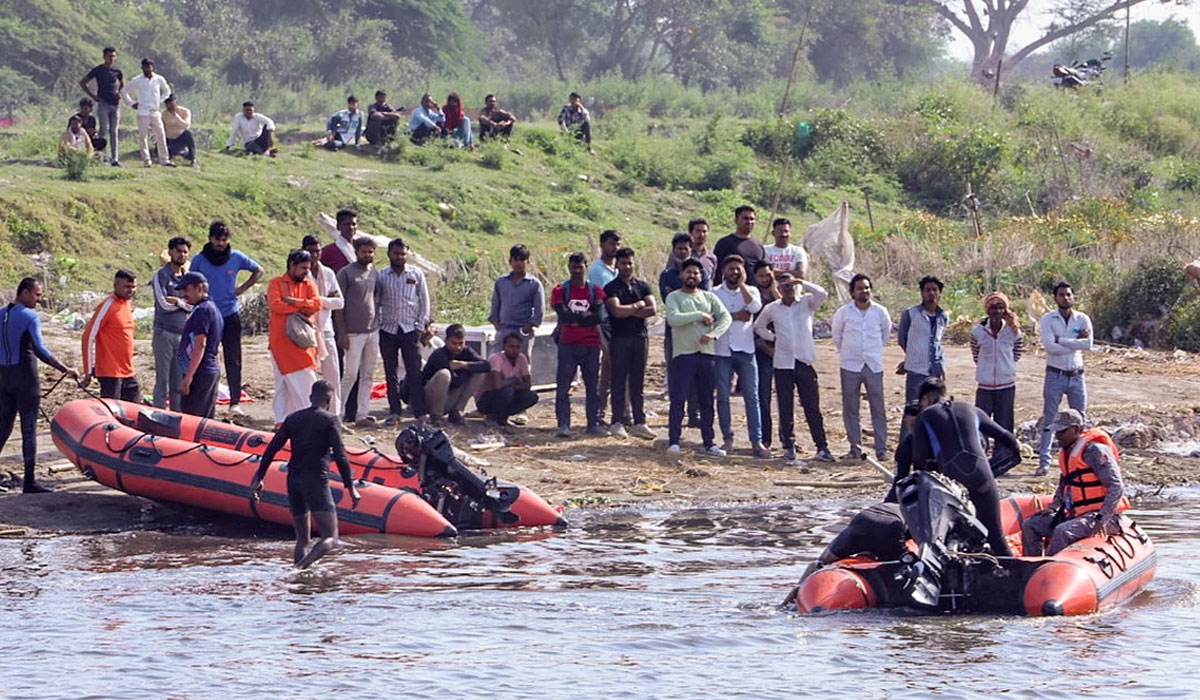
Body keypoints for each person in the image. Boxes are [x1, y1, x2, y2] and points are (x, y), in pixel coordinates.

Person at [251, 380, 361, 569]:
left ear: (311, 397)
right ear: (329, 400)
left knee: (302, 539)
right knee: (331, 538)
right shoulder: (331, 420)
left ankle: (299, 579)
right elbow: (341, 455)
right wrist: (350, 488)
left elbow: (272, 448)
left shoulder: (293, 418)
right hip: (316, 480)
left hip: (293, 479)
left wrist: (259, 477)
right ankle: (298, 569)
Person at [906, 377, 1022, 557]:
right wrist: (998, 463)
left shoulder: (925, 416)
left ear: (925, 400)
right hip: (983, 477)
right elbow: (1009, 439)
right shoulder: (971, 409)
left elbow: (919, 459)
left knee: (949, 543)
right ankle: (1014, 578)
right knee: (997, 538)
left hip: (954, 484)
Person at [0, 278, 78, 493]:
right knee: (28, 428)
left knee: (4, 426)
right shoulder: (29, 316)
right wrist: (65, 369)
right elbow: (40, 350)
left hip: (4, 378)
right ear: (24, 293)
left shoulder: (0, 314)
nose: (39, 299)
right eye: (37, 295)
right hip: (26, 378)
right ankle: (30, 482)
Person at [1021, 409, 1129, 556]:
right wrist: (1053, 507)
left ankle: (1049, 569)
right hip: (1077, 515)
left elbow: (1116, 487)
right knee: (1030, 525)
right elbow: (1064, 484)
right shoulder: (1067, 453)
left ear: (1076, 429)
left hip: (1103, 517)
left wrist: (1101, 519)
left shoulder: (1095, 451)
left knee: (1062, 531)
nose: (1057, 436)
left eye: (1062, 431)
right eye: (1056, 432)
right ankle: (1030, 567)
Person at [755, 271, 834, 463]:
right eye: (783, 286)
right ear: (778, 289)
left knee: (811, 406)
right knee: (785, 406)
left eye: (790, 285)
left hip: (804, 361)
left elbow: (822, 294)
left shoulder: (806, 303)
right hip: (783, 363)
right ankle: (789, 447)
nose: (788, 289)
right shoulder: (773, 308)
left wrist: (802, 282)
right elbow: (758, 327)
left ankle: (822, 447)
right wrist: (774, 338)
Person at [188, 221, 264, 419]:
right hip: (208, 314)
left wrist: (242, 289)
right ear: (210, 238)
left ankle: (234, 402)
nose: (221, 243)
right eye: (217, 239)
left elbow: (259, 270)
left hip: (230, 313)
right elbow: (190, 281)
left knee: (234, 358)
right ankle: (206, 396)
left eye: (224, 240)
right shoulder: (200, 259)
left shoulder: (236, 257)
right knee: (206, 356)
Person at [665, 258, 731, 455]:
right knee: (679, 399)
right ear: (681, 275)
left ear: (701, 277)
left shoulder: (709, 297)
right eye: (688, 272)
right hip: (683, 355)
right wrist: (699, 316)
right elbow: (673, 319)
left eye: (695, 273)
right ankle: (674, 441)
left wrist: (714, 334)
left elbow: (725, 317)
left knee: (706, 401)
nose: (692, 276)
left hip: (707, 355)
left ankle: (709, 442)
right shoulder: (674, 297)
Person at [713, 255, 769, 458]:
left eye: (738, 269)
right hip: (722, 350)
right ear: (723, 271)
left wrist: (743, 285)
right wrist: (736, 316)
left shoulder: (751, 291)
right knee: (723, 397)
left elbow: (754, 308)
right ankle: (727, 439)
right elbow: (714, 318)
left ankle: (757, 441)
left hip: (746, 350)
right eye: (731, 269)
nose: (734, 273)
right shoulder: (714, 292)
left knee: (752, 398)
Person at [832, 273, 892, 461]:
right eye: (859, 288)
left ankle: (881, 449)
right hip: (850, 365)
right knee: (851, 408)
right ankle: (855, 448)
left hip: (873, 365)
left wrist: (870, 352)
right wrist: (851, 353)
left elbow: (885, 335)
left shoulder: (880, 312)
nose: (864, 291)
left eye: (866, 288)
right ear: (852, 292)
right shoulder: (844, 313)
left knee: (878, 408)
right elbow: (837, 337)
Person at [1037, 281, 1094, 475]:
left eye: (1069, 294)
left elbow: (1088, 344)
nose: (1066, 298)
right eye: (1062, 295)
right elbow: (1050, 346)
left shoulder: (1082, 318)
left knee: (1079, 419)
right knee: (1050, 418)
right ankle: (1044, 461)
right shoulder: (1048, 319)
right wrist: (1074, 343)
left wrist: (1062, 340)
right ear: (1055, 297)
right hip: (1055, 374)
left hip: (1077, 375)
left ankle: (1081, 459)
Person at [377, 237, 432, 425]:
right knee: (390, 373)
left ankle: (420, 413)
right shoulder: (381, 275)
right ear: (389, 254)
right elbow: (376, 302)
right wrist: (377, 324)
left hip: (410, 329)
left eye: (403, 253)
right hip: (388, 329)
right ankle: (394, 412)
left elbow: (424, 300)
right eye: (396, 253)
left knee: (414, 371)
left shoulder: (416, 274)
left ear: (407, 254)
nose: (399, 257)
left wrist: (420, 326)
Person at [603, 246, 657, 440]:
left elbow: (652, 309)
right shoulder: (611, 287)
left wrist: (630, 310)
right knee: (618, 380)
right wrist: (637, 306)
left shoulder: (643, 286)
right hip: (619, 338)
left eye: (630, 263)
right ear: (617, 264)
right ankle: (618, 421)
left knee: (638, 381)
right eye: (623, 263)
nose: (627, 266)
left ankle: (639, 422)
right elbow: (616, 311)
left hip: (640, 337)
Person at [552, 252, 607, 438]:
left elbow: (598, 317)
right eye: (573, 267)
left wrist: (576, 320)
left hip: (591, 345)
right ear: (569, 267)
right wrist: (584, 317)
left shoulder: (596, 290)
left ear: (586, 267)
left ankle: (593, 423)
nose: (576, 271)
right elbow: (563, 316)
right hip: (567, 344)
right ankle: (564, 425)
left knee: (592, 387)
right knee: (563, 387)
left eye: (580, 267)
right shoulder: (560, 290)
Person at [659, 232, 710, 423]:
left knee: (697, 373)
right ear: (673, 251)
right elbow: (669, 302)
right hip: (674, 332)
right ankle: (676, 414)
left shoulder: (701, 272)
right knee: (675, 373)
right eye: (679, 248)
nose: (682, 251)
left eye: (686, 248)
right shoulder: (666, 275)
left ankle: (694, 414)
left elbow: (704, 301)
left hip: (697, 332)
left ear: (691, 249)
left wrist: (684, 306)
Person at [267, 250, 322, 425]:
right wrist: (302, 307)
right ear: (292, 265)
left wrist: (293, 301)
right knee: (282, 386)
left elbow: (317, 305)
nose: (307, 271)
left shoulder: (309, 284)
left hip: (302, 345)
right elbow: (276, 306)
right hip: (280, 344)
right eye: (303, 268)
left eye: (308, 268)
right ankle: (282, 423)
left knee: (307, 385)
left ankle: (309, 422)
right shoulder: (276, 283)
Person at [336, 235, 379, 427]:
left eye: (370, 252)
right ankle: (338, 413)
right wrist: (341, 332)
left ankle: (362, 414)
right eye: (364, 251)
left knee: (368, 374)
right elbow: (339, 305)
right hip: (353, 332)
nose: (367, 255)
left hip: (372, 330)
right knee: (351, 374)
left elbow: (376, 298)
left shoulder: (374, 272)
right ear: (356, 251)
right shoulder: (346, 273)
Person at [970, 291, 1024, 432]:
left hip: (1006, 386)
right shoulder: (978, 332)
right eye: (993, 307)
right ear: (988, 310)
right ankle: (981, 452)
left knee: (1005, 424)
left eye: (1000, 307)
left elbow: (1016, 354)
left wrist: (1006, 367)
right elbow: (976, 355)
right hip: (985, 386)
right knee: (982, 424)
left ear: (1005, 309)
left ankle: (1004, 454)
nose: (997, 311)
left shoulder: (1013, 331)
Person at [80, 269, 139, 401]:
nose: (130, 290)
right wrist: (88, 371)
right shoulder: (108, 306)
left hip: (128, 370)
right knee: (113, 413)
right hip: (110, 372)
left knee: (135, 409)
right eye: (126, 287)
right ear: (116, 286)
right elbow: (88, 337)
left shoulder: (127, 304)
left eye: (133, 287)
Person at [303, 235, 344, 415]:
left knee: (333, 376)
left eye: (317, 251)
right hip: (306, 331)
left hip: (326, 330)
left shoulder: (328, 273)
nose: (314, 255)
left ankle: (335, 416)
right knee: (307, 376)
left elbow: (340, 302)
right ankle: (310, 416)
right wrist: (326, 301)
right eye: (310, 251)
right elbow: (301, 303)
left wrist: (316, 300)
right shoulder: (300, 273)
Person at [150, 236, 192, 410]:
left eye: (185, 252)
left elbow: (193, 305)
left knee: (177, 382)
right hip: (163, 333)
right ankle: (158, 416)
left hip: (182, 335)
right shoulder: (160, 275)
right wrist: (182, 304)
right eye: (179, 251)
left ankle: (176, 418)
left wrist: (178, 302)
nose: (182, 255)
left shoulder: (188, 277)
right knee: (162, 380)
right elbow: (163, 304)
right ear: (170, 252)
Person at [421, 324, 490, 426]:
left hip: (449, 398)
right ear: (446, 341)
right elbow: (455, 382)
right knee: (444, 374)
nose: (458, 347)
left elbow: (486, 366)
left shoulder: (466, 351)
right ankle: (436, 416)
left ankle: (456, 412)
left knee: (479, 373)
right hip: (429, 401)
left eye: (461, 343)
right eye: (454, 343)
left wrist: (463, 365)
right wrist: (468, 370)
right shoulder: (439, 355)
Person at [176, 272, 224, 418]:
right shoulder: (210, 308)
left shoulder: (202, 311)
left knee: (194, 420)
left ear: (200, 288)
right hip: (207, 370)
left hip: (201, 373)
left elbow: (200, 345)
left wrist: (188, 377)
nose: (184, 294)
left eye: (187, 289)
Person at [897, 276, 948, 406]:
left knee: (935, 409)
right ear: (922, 293)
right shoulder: (910, 314)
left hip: (935, 371)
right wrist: (913, 355)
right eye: (927, 290)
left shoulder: (943, 316)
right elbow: (903, 339)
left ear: (940, 293)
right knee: (913, 408)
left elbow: (937, 343)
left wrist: (941, 367)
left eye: (935, 290)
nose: (931, 293)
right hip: (916, 370)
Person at [589, 229, 621, 427]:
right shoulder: (597, 271)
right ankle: (599, 412)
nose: (615, 248)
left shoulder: (617, 269)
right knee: (610, 366)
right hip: (604, 322)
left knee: (612, 369)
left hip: (618, 324)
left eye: (617, 244)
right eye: (611, 244)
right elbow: (604, 300)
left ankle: (605, 412)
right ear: (602, 245)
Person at [488, 244, 544, 359]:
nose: (519, 263)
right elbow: (495, 305)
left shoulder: (534, 284)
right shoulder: (501, 282)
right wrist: (497, 325)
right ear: (510, 261)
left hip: (523, 332)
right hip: (504, 330)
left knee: (522, 366)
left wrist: (527, 328)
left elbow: (539, 311)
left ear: (528, 262)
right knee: (495, 362)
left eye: (522, 260)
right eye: (516, 259)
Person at [477, 333, 539, 430]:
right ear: (504, 347)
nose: (514, 350)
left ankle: (502, 418)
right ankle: (492, 417)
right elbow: (497, 385)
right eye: (511, 346)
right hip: (486, 399)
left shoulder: (522, 358)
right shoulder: (496, 358)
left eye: (517, 347)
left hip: (508, 393)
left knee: (531, 396)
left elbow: (527, 385)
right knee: (507, 392)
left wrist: (508, 384)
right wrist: (513, 381)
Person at [120, 58, 173, 168]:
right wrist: (131, 103)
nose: (147, 69)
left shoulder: (159, 79)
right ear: (142, 68)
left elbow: (167, 91)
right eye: (145, 67)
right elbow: (124, 91)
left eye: (149, 67)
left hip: (155, 111)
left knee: (161, 135)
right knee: (143, 137)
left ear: (153, 67)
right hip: (143, 111)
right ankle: (147, 161)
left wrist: (160, 100)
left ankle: (164, 159)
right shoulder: (137, 80)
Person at [79, 47, 124, 166]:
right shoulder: (98, 70)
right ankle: (102, 157)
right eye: (109, 56)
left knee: (114, 132)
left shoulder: (117, 71)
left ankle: (115, 158)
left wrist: (119, 93)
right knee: (103, 130)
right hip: (103, 103)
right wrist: (93, 96)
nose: (112, 58)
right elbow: (83, 82)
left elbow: (122, 82)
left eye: (113, 56)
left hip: (115, 104)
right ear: (104, 56)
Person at [751, 261, 779, 450]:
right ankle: (765, 438)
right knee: (763, 396)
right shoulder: (754, 298)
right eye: (761, 276)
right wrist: (767, 348)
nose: (765, 279)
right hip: (763, 352)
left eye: (768, 275)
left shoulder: (780, 295)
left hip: (786, 352)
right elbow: (752, 329)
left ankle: (787, 440)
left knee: (785, 399)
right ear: (755, 277)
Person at [713, 205, 766, 277]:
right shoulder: (724, 243)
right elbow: (718, 271)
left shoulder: (759, 245)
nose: (749, 222)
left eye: (752, 219)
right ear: (736, 220)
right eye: (745, 218)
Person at [162, 94, 198, 167]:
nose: (170, 107)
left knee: (187, 134)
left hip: (180, 138)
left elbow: (186, 125)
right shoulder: (163, 114)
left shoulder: (185, 111)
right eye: (168, 105)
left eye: (171, 104)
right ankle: (172, 155)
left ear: (176, 103)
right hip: (169, 140)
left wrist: (176, 116)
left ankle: (193, 159)